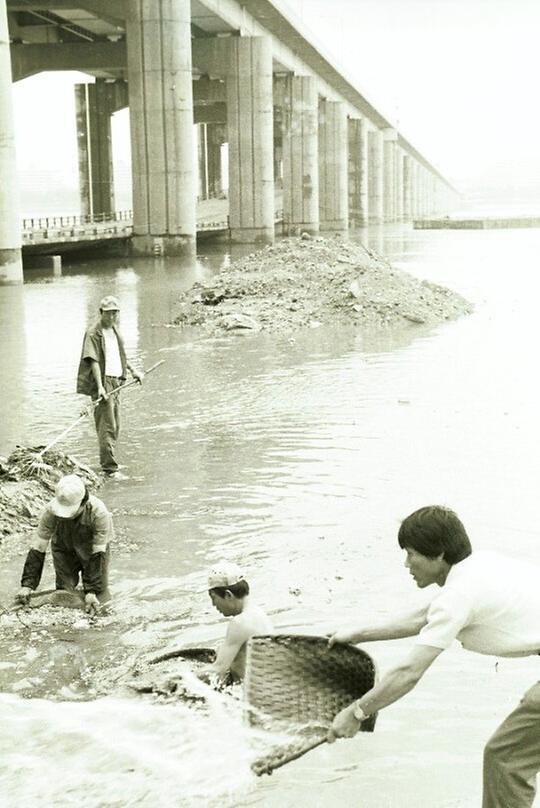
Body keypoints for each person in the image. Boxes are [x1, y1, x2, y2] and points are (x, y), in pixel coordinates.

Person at [327, 505, 540, 808]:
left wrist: (356, 713)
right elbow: (426, 616)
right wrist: (358, 633)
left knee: (505, 760)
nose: (406, 564)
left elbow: (409, 672)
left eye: (411, 553)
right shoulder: (480, 566)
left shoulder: (459, 596)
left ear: (438, 554)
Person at [15, 474, 113, 616]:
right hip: (64, 548)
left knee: (99, 595)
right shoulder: (50, 511)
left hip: (93, 550)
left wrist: (91, 590)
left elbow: (98, 552)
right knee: (64, 593)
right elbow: (38, 547)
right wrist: (27, 585)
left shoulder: (99, 513)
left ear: (83, 503)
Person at [76, 295, 144, 480]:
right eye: (109, 313)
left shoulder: (115, 330)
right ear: (101, 313)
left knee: (116, 425)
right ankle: (110, 469)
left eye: (115, 313)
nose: (112, 316)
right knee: (107, 426)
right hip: (103, 382)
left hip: (117, 380)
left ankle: (110, 461)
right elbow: (94, 361)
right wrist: (100, 387)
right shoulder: (93, 333)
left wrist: (133, 371)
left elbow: (120, 355)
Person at [207, 561, 273, 684]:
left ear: (228, 595)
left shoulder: (239, 622)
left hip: (245, 692)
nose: (213, 604)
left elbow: (218, 669)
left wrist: (181, 677)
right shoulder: (258, 613)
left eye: (213, 598)